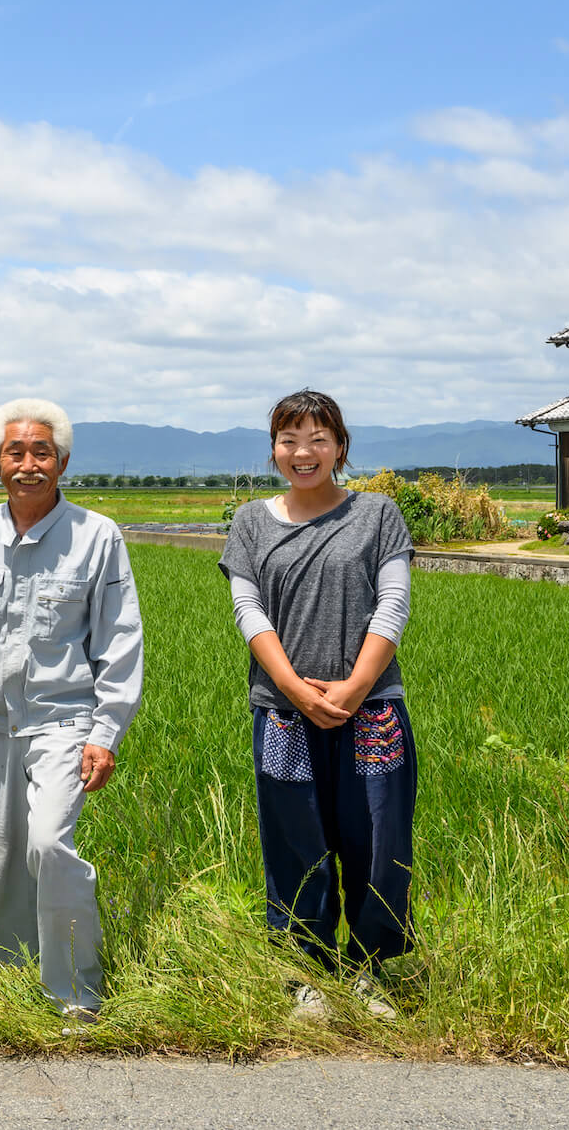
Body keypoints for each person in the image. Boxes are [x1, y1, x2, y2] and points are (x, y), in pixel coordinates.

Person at [0, 398, 143, 1019]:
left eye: (42, 452)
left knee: (50, 845)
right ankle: (12, 982)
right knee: (3, 860)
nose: (29, 464)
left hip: (64, 719)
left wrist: (106, 731)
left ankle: (76, 992)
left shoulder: (96, 536)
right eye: (15, 452)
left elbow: (119, 639)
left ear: (64, 461)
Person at [217, 389, 413, 1019]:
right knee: (294, 838)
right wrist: (297, 690)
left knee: (377, 835)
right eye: (289, 439)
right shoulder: (250, 522)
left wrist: (355, 686)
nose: (303, 452)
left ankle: (372, 973)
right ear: (274, 448)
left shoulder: (377, 514)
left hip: (373, 706)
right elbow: (249, 612)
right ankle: (305, 974)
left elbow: (394, 603)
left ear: (340, 446)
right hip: (282, 711)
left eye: (318, 439)